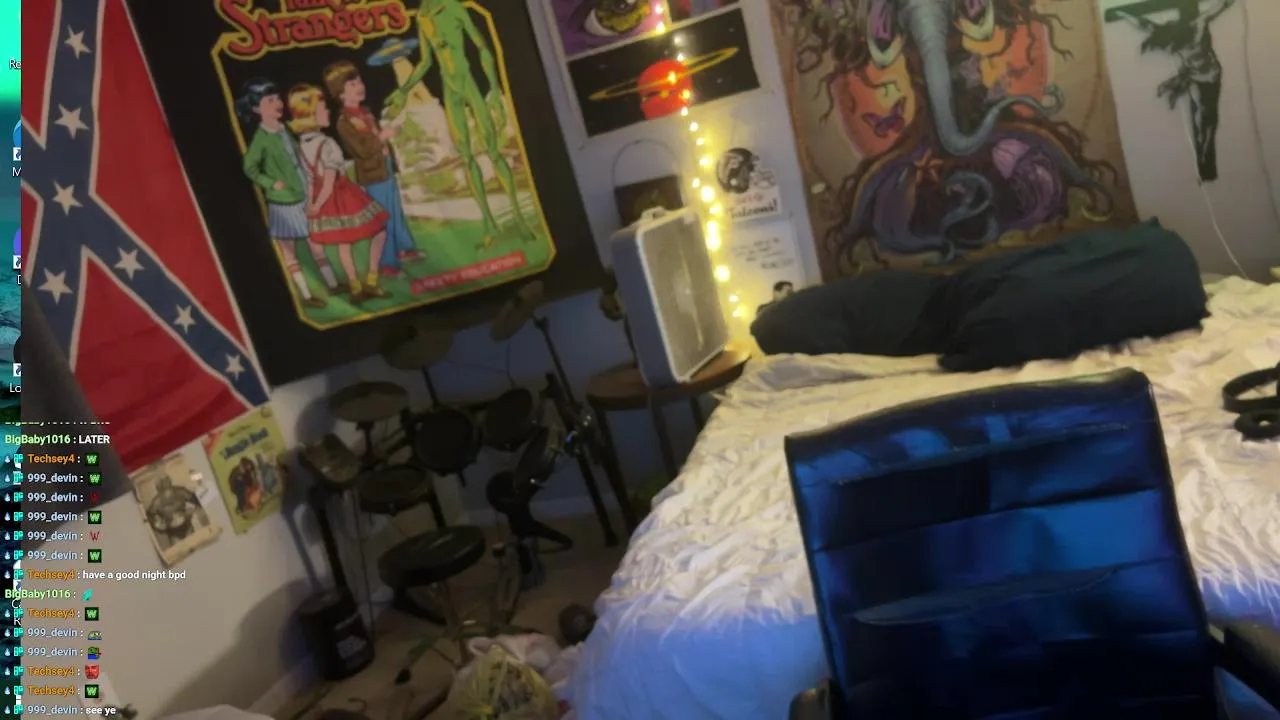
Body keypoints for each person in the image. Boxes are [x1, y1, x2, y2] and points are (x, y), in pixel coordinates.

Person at [385, 0, 538, 250]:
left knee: (493, 151)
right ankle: (490, 225)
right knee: (467, 158)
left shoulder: (452, 7)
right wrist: (404, 91)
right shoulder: (422, 17)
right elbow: (425, 61)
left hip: (468, 84)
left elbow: (482, 47)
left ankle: (520, 219)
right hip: (450, 90)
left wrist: (494, 89)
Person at [236, 78, 342, 309]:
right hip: (283, 203)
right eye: (270, 100)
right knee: (290, 251)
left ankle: (333, 284)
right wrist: (271, 183)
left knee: (316, 243)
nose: (277, 103)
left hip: (303, 195)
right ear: (256, 109)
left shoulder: (286, 130)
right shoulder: (261, 139)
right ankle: (305, 295)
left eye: (277, 98)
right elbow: (249, 167)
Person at [287, 84, 391, 302]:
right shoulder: (327, 144)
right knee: (379, 230)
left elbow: (309, 179)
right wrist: (317, 205)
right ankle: (371, 280)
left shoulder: (302, 145)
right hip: (340, 194)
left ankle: (355, 286)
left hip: (324, 198)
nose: (327, 112)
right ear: (311, 116)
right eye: (322, 109)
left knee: (345, 242)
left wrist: (312, 203)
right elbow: (328, 181)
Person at [1114, 0, 1234, 182]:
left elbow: (1215, 10)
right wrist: (1122, 14)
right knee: (1199, 121)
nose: (1172, 51)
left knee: (1209, 124)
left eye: (1173, 48)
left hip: (1211, 75)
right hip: (1193, 76)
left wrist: (1227, 3)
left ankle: (1207, 166)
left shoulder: (1197, 27)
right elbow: (1143, 23)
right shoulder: (1165, 34)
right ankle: (1204, 168)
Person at [324, 60, 424, 279]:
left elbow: (377, 140)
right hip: (372, 175)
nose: (360, 86)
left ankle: (405, 248)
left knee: (395, 211)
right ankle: (387, 263)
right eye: (352, 84)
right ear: (340, 93)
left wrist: (387, 136)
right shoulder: (344, 122)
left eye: (359, 81)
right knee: (383, 218)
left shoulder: (366, 113)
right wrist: (382, 137)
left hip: (385, 167)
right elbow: (361, 150)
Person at [146, 475, 202, 543]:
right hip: (173, 532)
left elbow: (197, 499)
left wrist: (193, 510)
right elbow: (149, 517)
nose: (167, 495)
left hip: (187, 525)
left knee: (195, 542)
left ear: (171, 486)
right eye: (164, 492)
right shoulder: (156, 502)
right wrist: (158, 524)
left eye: (169, 490)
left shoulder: (181, 492)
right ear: (159, 491)